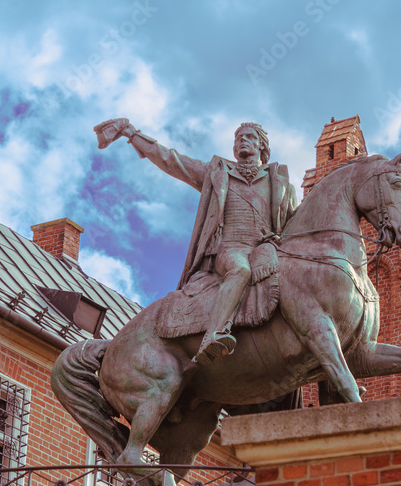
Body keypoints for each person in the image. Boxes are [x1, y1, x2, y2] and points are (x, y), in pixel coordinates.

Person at [98, 118, 297, 364]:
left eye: (249, 137)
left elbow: (293, 227)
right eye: (238, 138)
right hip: (231, 249)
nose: (242, 141)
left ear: (262, 147)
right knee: (240, 271)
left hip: (265, 250)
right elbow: (173, 161)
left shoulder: (280, 182)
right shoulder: (217, 173)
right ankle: (212, 336)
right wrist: (132, 134)